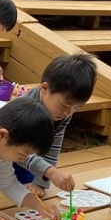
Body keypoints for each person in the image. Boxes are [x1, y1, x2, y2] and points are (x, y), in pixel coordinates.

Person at [15, 52, 97, 196]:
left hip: (27, 159)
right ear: (45, 89)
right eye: (65, 105)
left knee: (29, 186)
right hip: (0, 159)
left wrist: (41, 183)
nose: (68, 113)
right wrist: (50, 172)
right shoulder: (23, 110)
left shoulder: (62, 113)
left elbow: (53, 148)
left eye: (76, 108)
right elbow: (15, 151)